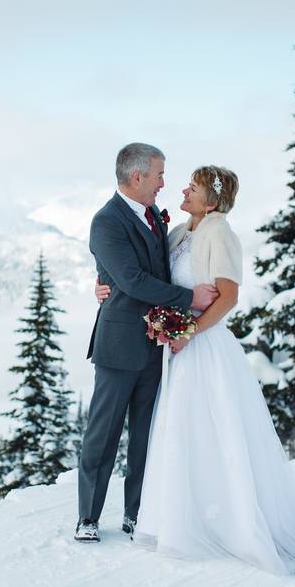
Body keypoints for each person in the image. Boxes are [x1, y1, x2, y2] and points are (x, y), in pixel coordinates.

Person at [96, 165, 295, 575]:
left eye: (194, 185)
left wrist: (190, 331)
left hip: (205, 347)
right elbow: (147, 276)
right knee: (182, 432)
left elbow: (228, 298)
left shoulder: (220, 231)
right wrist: (106, 284)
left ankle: (228, 521)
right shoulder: (182, 231)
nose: (183, 189)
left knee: (212, 430)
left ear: (213, 199)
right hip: (179, 348)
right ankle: (185, 516)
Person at [76, 143, 218, 543]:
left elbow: (160, 270)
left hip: (157, 344)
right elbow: (132, 280)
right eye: (158, 174)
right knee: (102, 435)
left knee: (146, 435)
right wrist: (190, 299)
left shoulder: (155, 215)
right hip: (119, 345)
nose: (163, 183)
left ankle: (135, 514)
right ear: (137, 177)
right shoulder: (106, 222)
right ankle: (88, 516)